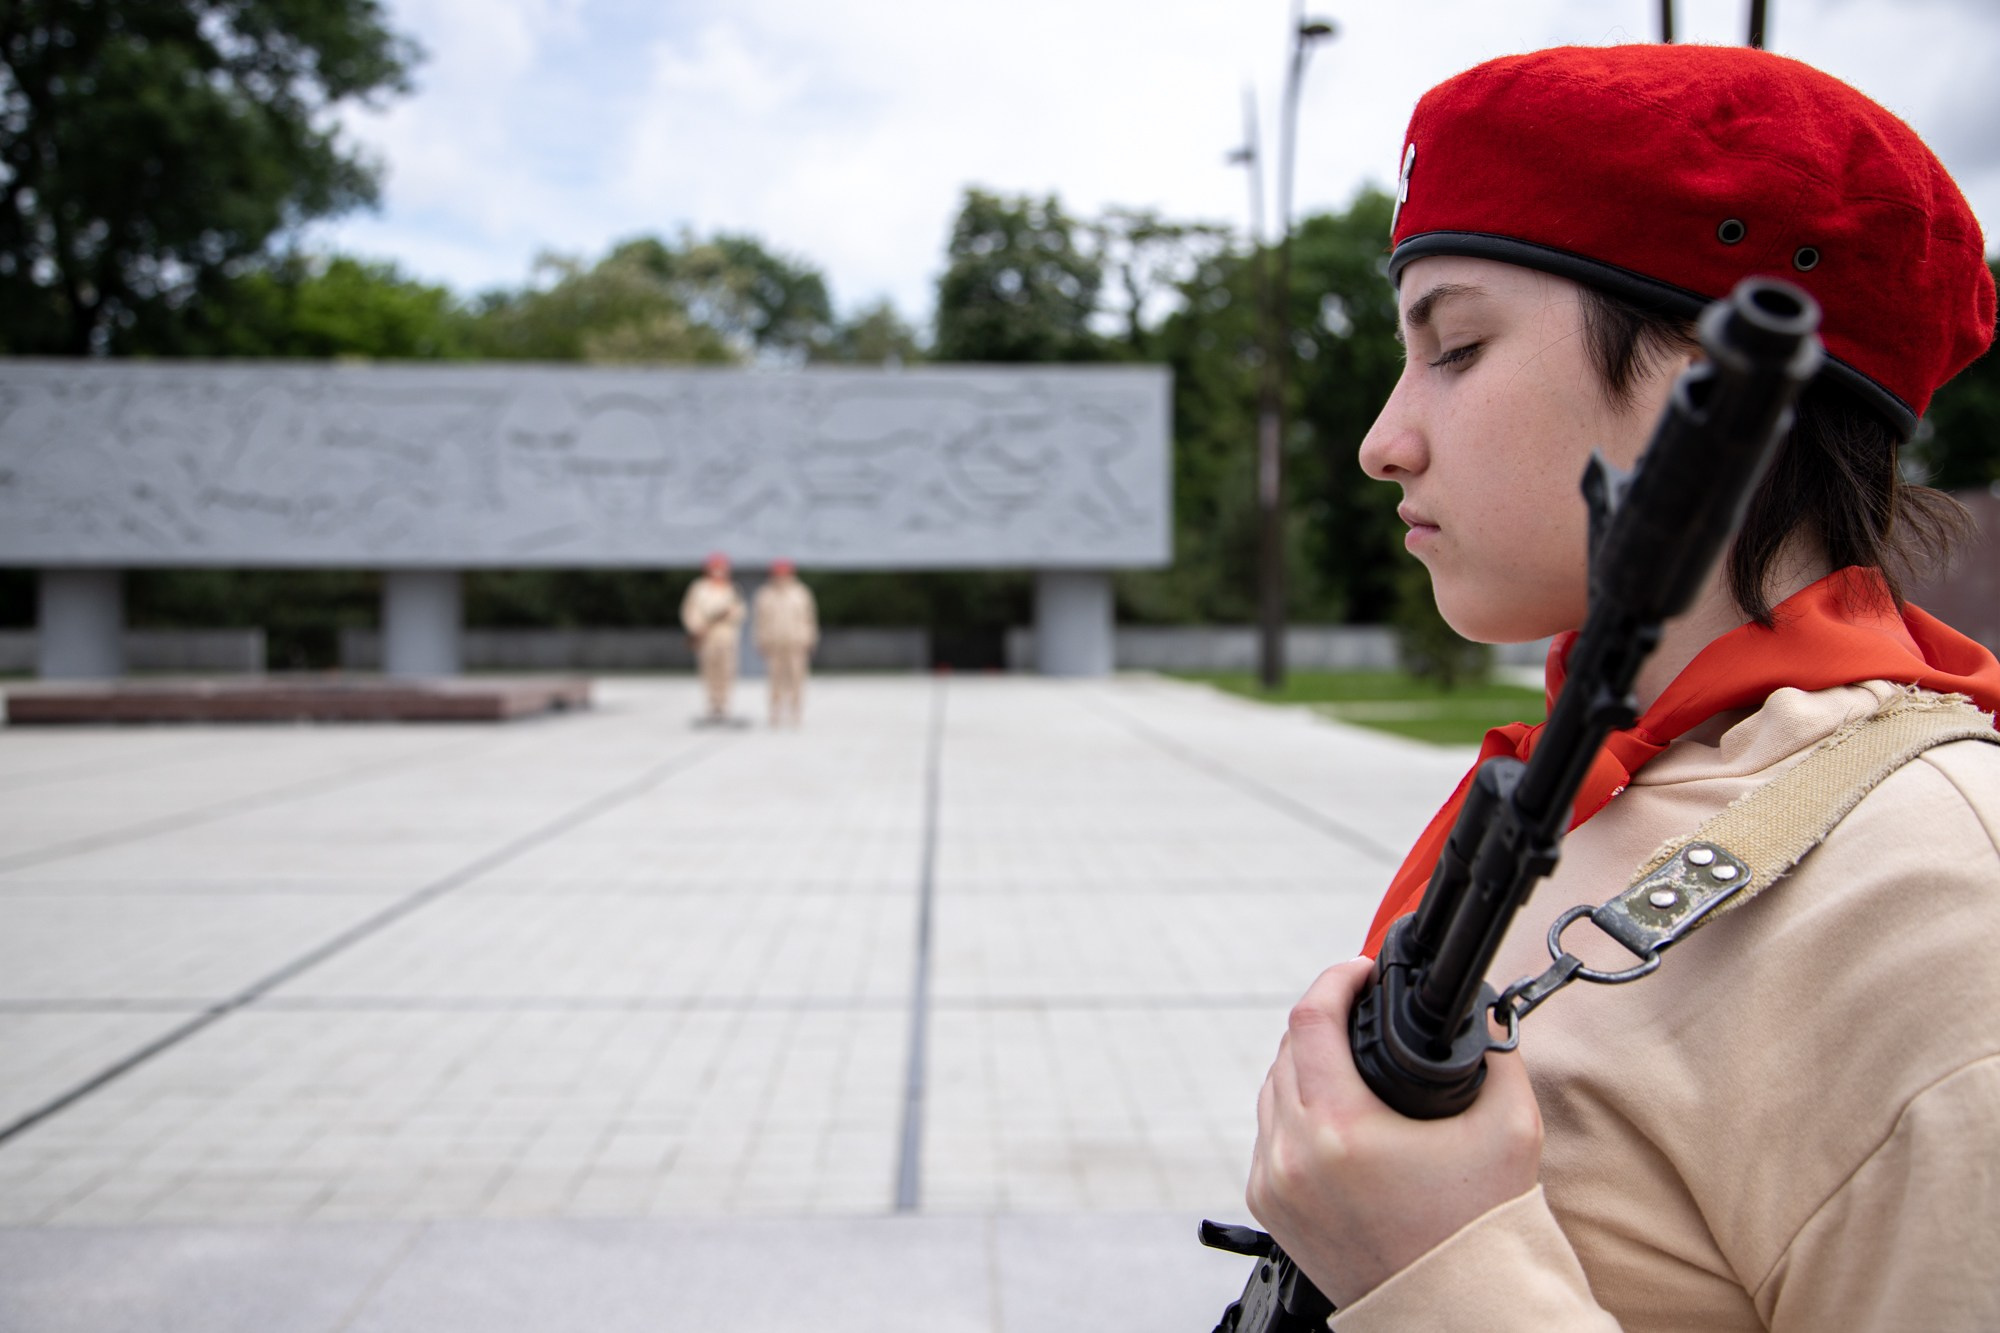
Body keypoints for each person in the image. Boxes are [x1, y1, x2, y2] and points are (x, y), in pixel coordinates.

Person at [1244, 44, 2000, 1331]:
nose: (1383, 440)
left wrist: (1441, 1269)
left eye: (1458, 346)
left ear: (1710, 388)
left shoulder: (1933, 897)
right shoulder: (1615, 782)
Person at [679, 552, 745, 725]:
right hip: (706, 637)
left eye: (721, 568)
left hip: (725, 637)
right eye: (715, 568)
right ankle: (712, 705)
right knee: (708, 671)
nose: (718, 571)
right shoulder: (699, 588)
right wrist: (697, 626)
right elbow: (689, 610)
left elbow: (739, 612)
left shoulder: (731, 588)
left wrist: (729, 615)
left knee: (726, 671)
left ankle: (723, 705)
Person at [753, 559, 818, 727]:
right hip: (774, 643)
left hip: (796, 643)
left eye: (784, 574)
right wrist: (759, 640)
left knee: (797, 678)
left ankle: (796, 711)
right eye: (778, 574)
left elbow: (809, 618)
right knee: (775, 680)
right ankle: (775, 712)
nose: (781, 578)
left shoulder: (801, 593)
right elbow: (759, 621)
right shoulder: (765, 594)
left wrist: (810, 639)